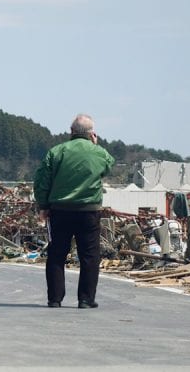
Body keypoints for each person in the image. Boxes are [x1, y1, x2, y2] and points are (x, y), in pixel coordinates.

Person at [33, 114, 115, 309]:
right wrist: (95, 145)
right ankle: (86, 299)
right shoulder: (98, 152)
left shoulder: (56, 152)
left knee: (56, 254)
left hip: (60, 210)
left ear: (71, 132)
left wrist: (43, 206)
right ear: (91, 134)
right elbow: (108, 166)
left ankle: (55, 299)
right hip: (88, 211)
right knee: (89, 255)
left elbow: (42, 181)